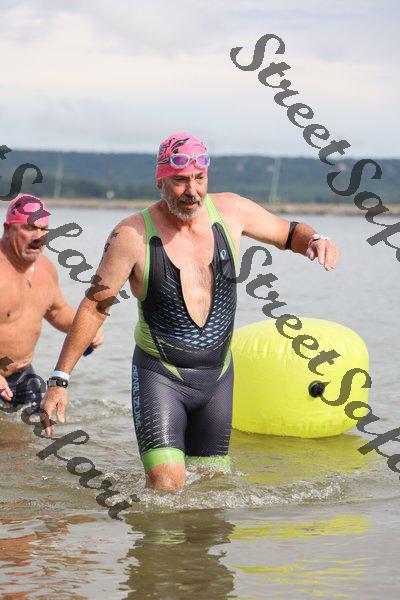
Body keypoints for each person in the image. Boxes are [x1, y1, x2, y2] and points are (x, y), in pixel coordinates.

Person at [40, 133, 340, 489]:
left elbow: (288, 233)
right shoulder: (131, 236)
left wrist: (315, 239)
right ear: (160, 181)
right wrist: (60, 379)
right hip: (160, 375)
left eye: (200, 178)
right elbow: (95, 306)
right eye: (180, 180)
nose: (192, 191)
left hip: (218, 377)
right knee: (167, 483)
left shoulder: (232, 212)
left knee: (213, 488)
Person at [0, 194, 104, 412]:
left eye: (43, 229)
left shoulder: (45, 269)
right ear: (8, 229)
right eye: (29, 228)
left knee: (38, 426)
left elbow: (57, 311)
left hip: (22, 375)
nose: (38, 236)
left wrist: (87, 329)